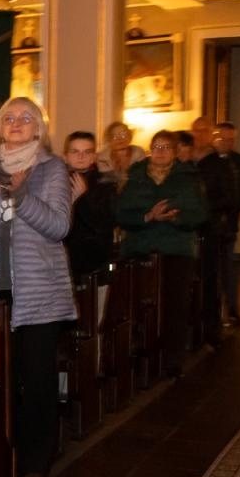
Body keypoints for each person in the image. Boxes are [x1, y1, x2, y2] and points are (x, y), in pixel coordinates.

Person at [0, 99, 75, 477]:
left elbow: (59, 226)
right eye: (9, 118)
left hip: (39, 291)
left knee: (37, 379)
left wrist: (22, 196)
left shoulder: (51, 169)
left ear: (39, 129)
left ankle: (35, 461)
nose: (16, 123)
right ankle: (2, 457)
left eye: (25, 118)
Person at [117, 130, 207, 376]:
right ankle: (139, 355)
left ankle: (171, 359)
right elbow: (121, 214)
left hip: (176, 249)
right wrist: (147, 216)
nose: (160, 152)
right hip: (139, 249)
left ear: (176, 152)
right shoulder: (136, 176)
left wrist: (175, 217)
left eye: (166, 147)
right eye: (156, 146)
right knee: (135, 305)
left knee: (174, 306)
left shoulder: (188, 178)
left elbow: (200, 213)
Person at [195, 122, 240, 333]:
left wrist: (231, 211)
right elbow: (201, 196)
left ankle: (233, 309)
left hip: (229, 224)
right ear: (214, 138)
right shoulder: (205, 163)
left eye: (230, 139)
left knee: (229, 268)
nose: (226, 143)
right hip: (209, 224)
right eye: (222, 138)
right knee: (210, 271)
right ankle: (211, 313)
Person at [62, 131, 115, 284]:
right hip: (62, 264)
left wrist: (82, 199)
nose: (81, 157)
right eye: (75, 152)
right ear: (65, 156)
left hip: (95, 265)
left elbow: (104, 224)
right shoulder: (56, 183)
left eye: (87, 152)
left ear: (94, 156)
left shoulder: (105, 184)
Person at [98, 121, 145, 189]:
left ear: (129, 136)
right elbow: (106, 181)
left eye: (123, 134)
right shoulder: (102, 157)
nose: (119, 139)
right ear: (109, 139)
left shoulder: (138, 152)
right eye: (114, 136)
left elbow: (141, 178)